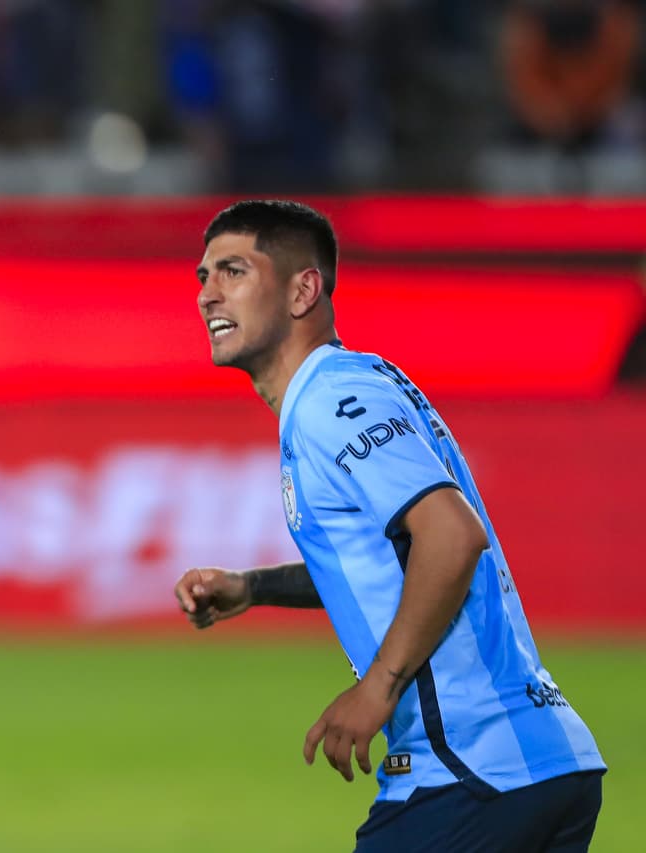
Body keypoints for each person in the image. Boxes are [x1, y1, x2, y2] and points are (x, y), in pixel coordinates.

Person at [173, 200, 605, 852]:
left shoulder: (331, 403)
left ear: (302, 289)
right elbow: (393, 558)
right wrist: (255, 587)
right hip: (538, 763)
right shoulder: (351, 387)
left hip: (469, 767)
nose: (208, 294)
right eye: (203, 276)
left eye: (232, 271)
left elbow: (451, 537)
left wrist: (378, 688)